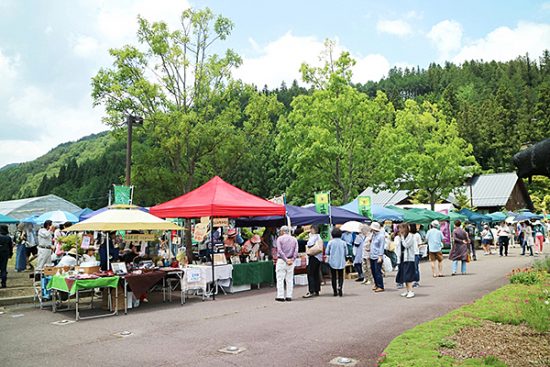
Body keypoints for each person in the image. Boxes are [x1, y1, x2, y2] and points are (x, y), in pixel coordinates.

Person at [275, 226, 298, 302]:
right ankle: (289, 295)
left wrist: (285, 259)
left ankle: (280, 296)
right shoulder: (294, 239)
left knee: (280, 279)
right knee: (289, 279)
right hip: (291, 261)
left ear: (282, 231)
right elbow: (296, 251)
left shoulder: (279, 239)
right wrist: (292, 259)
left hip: (281, 261)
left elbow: (279, 250)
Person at [394, 223, 417, 298]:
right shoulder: (401, 237)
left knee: (408, 275)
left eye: (401, 228)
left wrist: (402, 237)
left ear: (405, 228)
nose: (400, 230)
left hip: (409, 258)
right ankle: (407, 290)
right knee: (404, 275)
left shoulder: (410, 236)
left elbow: (406, 245)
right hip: (402, 258)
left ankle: (411, 291)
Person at [326, 227, 347, 297]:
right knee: (341, 276)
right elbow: (346, 253)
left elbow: (327, 252)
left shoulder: (330, 242)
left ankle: (335, 291)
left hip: (332, 261)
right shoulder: (343, 243)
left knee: (333, 276)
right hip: (341, 261)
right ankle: (340, 286)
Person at [303, 226, 323, 298]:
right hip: (318, 258)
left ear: (314, 229)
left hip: (313, 256)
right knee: (316, 274)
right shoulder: (319, 237)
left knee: (310, 273)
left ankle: (311, 290)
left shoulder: (314, 237)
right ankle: (317, 289)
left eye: (311, 229)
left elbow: (309, 244)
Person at [369, 222, 385, 293]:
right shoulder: (373, 235)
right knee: (373, 271)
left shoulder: (381, 236)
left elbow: (381, 247)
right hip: (372, 255)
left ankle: (380, 286)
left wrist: (380, 256)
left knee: (377, 271)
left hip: (378, 256)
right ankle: (376, 284)